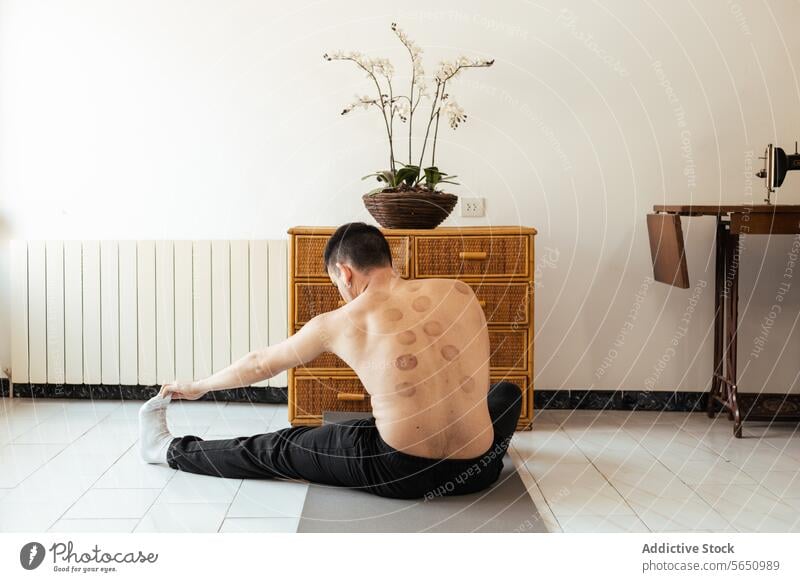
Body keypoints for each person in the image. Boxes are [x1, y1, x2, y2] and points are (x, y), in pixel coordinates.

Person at [139, 222, 522, 499]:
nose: (341, 294)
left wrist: (198, 386)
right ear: (390, 261)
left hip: (401, 472)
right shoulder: (459, 291)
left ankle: (165, 449)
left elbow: (260, 364)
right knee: (506, 393)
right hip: (478, 469)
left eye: (337, 284)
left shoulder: (337, 322)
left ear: (345, 271)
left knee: (282, 447)